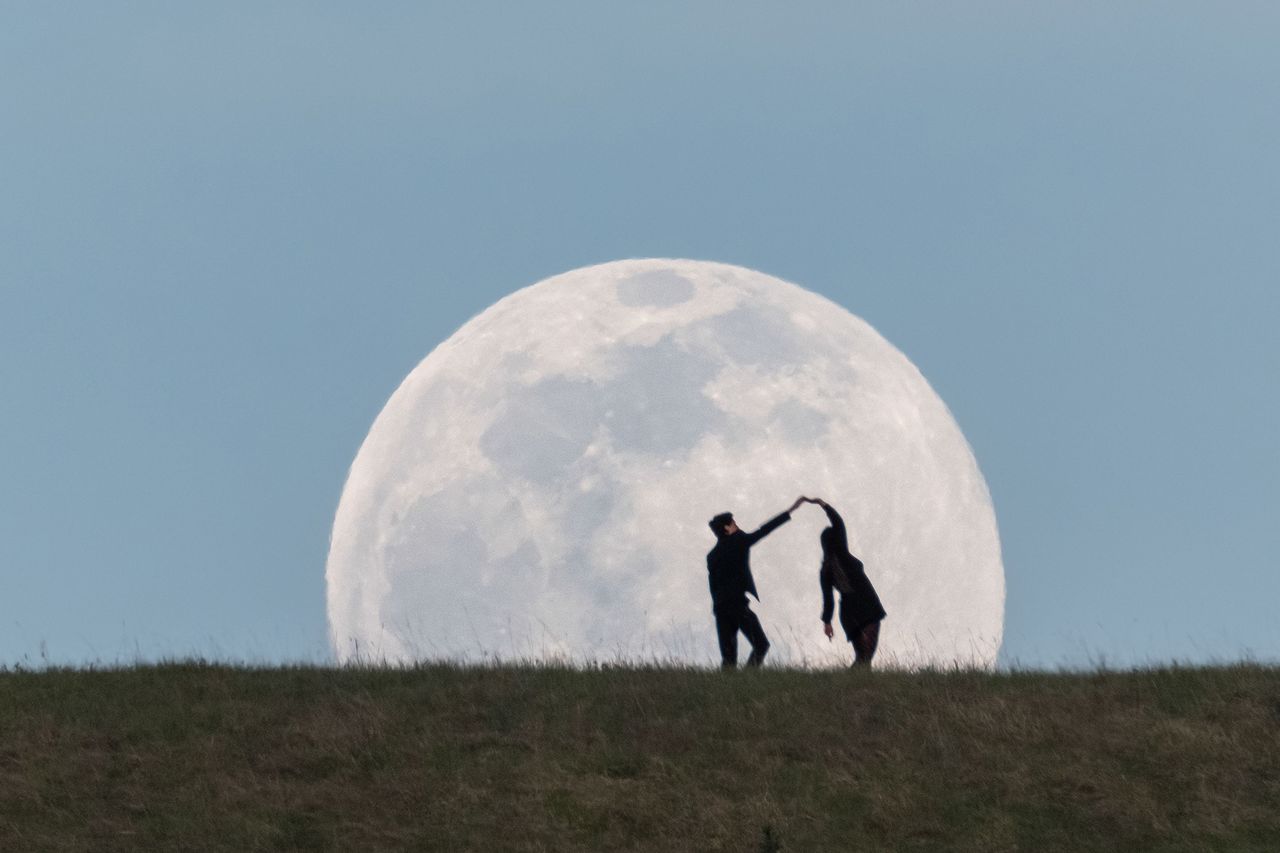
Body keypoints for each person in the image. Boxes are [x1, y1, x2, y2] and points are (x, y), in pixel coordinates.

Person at [706, 497, 806, 668]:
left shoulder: (712, 555)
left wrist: (718, 606)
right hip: (737, 605)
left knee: (728, 657)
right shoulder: (738, 541)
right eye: (734, 523)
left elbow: (712, 586)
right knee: (761, 644)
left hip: (720, 608)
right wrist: (790, 510)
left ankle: (728, 688)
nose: (738, 525)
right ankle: (747, 679)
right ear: (727, 528)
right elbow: (764, 530)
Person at [807, 497, 887, 666]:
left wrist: (827, 622)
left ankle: (853, 688)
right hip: (867, 605)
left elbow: (828, 599)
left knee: (862, 658)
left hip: (849, 614)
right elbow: (839, 522)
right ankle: (848, 689)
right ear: (836, 540)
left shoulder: (825, 570)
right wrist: (823, 504)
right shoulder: (842, 553)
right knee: (865, 658)